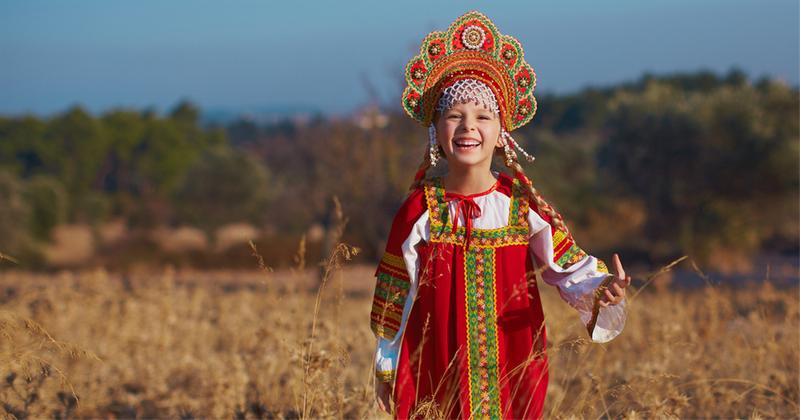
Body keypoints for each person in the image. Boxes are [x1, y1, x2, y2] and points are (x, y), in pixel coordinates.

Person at [370, 11, 630, 419]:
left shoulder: (521, 204)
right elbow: (395, 295)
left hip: (514, 359)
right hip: (435, 364)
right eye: (453, 115)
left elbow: (567, 266)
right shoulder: (419, 209)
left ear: (501, 132)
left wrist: (602, 291)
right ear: (435, 129)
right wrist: (386, 366)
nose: (467, 126)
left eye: (482, 116)